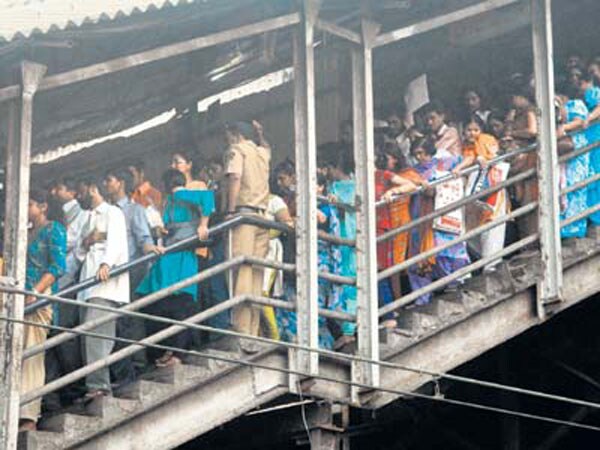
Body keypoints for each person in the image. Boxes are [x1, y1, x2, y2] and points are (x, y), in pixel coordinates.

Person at [137, 169, 214, 366]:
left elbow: (208, 198)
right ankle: (171, 350)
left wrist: (203, 226)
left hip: (182, 254)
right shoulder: (171, 200)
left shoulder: (180, 193)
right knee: (165, 303)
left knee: (179, 303)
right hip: (172, 251)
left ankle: (178, 353)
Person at [103, 168, 163, 381]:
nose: (105, 184)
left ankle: (136, 367)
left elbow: (143, 238)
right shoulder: (106, 211)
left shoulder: (134, 210)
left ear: (120, 183)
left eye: (109, 179)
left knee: (130, 321)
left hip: (131, 273)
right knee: (116, 323)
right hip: (112, 276)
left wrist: (150, 248)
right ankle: (122, 372)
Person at [76, 178, 129, 401]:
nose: (80, 196)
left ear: (93, 187)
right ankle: (95, 385)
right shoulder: (87, 218)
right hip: (87, 286)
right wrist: (86, 243)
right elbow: (79, 253)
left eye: (82, 191)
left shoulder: (113, 212)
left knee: (97, 336)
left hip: (105, 286)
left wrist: (106, 264)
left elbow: (117, 243)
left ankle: (99, 387)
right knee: (89, 337)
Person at [20, 189, 66, 431]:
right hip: (16, 300)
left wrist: (34, 292)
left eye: (29, 204)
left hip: (38, 299)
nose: (25, 208)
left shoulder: (54, 229)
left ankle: (28, 417)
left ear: (43, 206)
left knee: (31, 357)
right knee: (13, 357)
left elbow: (58, 266)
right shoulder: (25, 232)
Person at [220, 121, 270, 341]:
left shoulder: (236, 150)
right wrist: (260, 133)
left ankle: (240, 328)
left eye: (228, 135)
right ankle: (252, 328)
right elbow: (267, 147)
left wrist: (230, 211)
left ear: (235, 134)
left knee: (239, 269)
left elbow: (235, 177)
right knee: (256, 272)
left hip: (243, 215)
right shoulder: (261, 152)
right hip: (263, 217)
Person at [407, 138, 471, 305]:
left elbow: (469, 158)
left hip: (444, 214)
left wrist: (458, 169)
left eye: (422, 153)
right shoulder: (413, 171)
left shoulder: (445, 162)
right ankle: (422, 298)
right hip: (421, 215)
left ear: (430, 151)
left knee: (447, 251)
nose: (419, 157)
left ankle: (454, 283)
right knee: (421, 258)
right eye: (416, 154)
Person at [44, 178, 88, 413]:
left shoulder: (79, 217)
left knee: (64, 339)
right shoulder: (57, 223)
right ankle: (53, 397)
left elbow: (73, 251)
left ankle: (74, 390)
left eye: (59, 187)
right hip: (54, 288)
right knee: (52, 341)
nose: (55, 190)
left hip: (66, 285)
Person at [454, 117, 508, 270]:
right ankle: (485, 262)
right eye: (468, 130)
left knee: (492, 226)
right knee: (473, 228)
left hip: (492, 186)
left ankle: (491, 266)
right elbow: (470, 158)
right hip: (474, 187)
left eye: (475, 129)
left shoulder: (487, 139)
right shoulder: (465, 146)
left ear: (482, 130)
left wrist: (482, 158)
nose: (472, 133)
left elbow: (493, 156)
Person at [375, 149, 418, 326]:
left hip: (382, 227)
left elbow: (411, 185)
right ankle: (387, 313)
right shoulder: (356, 180)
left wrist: (393, 192)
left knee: (381, 270)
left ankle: (390, 313)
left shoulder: (382, 175)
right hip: (364, 228)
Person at [556, 93, 591, 239]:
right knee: (564, 186)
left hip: (577, 146)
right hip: (565, 150)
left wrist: (563, 127)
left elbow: (580, 121)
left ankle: (576, 228)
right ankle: (565, 229)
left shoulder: (575, 104)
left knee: (576, 186)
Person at [505, 86, 538, 239]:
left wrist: (513, 133)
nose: (513, 100)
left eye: (516, 96)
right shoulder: (516, 114)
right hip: (518, 158)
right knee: (519, 199)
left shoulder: (530, 111)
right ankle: (525, 240)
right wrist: (510, 121)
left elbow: (532, 131)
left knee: (527, 199)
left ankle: (532, 239)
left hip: (528, 156)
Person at [261, 191, 293, 340]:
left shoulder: (275, 200)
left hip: (270, 250)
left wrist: (264, 236)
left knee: (262, 291)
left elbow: (288, 223)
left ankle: (274, 336)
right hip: (253, 249)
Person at [577, 73, 600, 226]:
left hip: (595, 136)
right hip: (591, 137)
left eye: (580, 83)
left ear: (587, 82)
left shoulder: (594, 91)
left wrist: (589, 117)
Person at [128, 160, 163, 239]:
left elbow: (158, 224)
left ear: (141, 174)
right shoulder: (127, 196)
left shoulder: (152, 194)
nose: (129, 179)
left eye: (131, 175)